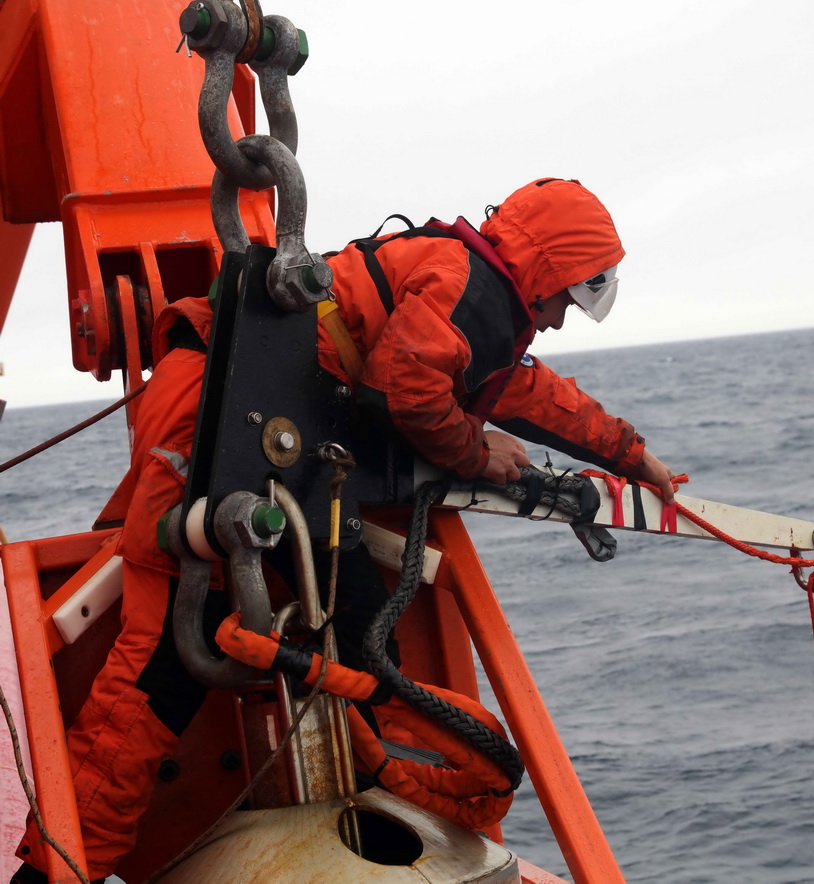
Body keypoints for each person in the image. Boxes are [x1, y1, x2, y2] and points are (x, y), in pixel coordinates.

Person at [11, 177, 675, 883]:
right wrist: (481, 455)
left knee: (362, 636)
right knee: (167, 659)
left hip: (262, 427)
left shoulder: (473, 293)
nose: (560, 322)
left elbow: (530, 393)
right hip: (218, 416)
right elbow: (405, 392)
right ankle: (57, 872)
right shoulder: (470, 287)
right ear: (542, 273)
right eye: (563, 301)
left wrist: (630, 454)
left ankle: (378, 812)